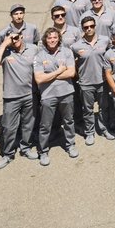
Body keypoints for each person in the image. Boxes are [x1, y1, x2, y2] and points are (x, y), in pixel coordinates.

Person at [0, 29, 37, 169]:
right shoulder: (5, 51)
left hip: (30, 94)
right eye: (11, 38)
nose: (14, 40)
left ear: (22, 36)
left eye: (16, 37)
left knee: (28, 124)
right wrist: (4, 44)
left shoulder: (33, 49)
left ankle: (26, 148)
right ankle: (8, 154)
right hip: (11, 96)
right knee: (9, 127)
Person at [34, 27, 77, 165]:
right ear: (45, 40)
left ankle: (70, 145)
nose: (52, 40)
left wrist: (50, 76)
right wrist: (59, 71)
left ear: (59, 38)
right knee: (45, 125)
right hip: (48, 96)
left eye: (54, 37)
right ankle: (43, 151)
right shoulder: (39, 56)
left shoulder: (67, 52)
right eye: (49, 38)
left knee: (69, 121)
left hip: (67, 93)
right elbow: (39, 79)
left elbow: (71, 73)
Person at [72, 15, 111, 145]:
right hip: (86, 83)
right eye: (86, 27)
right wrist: (79, 76)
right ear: (82, 29)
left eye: (91, 26)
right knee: (87, 109)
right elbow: (72, 63)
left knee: (103, 107)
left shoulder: (105, 40)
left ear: (95, 26)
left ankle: (104, 128)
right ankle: (90, 132)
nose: (89, 29)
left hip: (102, 81)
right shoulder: (76, 46)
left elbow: (111, 55)